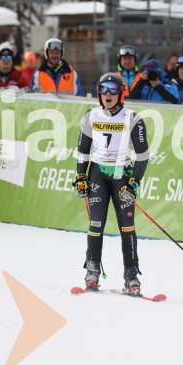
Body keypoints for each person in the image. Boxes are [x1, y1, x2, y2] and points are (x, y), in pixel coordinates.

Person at [73, 73, 149, 295]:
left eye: (113, 89)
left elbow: (143, 155)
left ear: (121, 93)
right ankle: (92, 270)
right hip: (97, 174)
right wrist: (81, 177)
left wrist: (133, 184)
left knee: (127, 227)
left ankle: (131, 275)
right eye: (104, 89)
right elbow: (82, 151)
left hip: (121, 177)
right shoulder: (91, 116)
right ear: (98, 92)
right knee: (96, 224)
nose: (108, 93)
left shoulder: (132, 118)